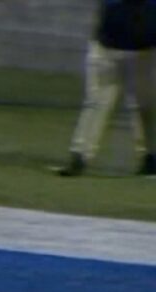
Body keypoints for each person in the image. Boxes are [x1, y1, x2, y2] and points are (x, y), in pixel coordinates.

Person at [60, 0, 156, 176]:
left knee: (145, 106)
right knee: (97, 103)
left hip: (142, 51)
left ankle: (150, 156)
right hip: (109, 47)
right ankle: (80, 155)